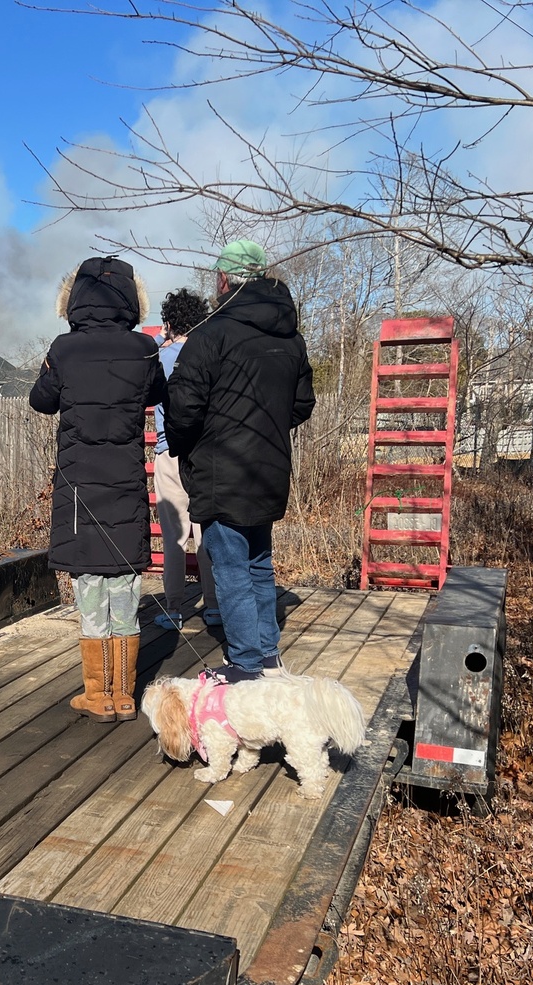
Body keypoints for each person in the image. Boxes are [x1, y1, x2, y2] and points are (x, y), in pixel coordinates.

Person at [164, 240, 315, 680]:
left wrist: (191, 444)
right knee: (258, 563)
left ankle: (247, 663)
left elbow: (182, 409)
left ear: (225, 280)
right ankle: (268, 655)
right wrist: (265, 426)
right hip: (268, 469)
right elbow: (302, 403)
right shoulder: (291, 339)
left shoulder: (211, 337)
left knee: (230, 567)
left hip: (221, 471)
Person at [30, 256, 166, 721]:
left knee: (89, 587)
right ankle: (125, 694)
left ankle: (97, 694)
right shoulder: (143, 348)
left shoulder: (64, 349)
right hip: (125, 484)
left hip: (78, 489)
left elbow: (40, 400)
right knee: (126, 586)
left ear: (75, 300)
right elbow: (156, 395)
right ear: (132, 299)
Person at [152, 287, 220, 631]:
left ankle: (174, 609)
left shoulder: (160, 357)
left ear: (168, 322)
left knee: (174, 538)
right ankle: (214, 607)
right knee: (206, 532)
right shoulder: (209, 354)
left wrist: (160, 339)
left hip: (168, 453)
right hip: (205, 455)